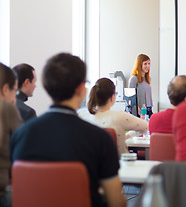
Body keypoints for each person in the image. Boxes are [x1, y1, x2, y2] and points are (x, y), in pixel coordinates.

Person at [10, 53, 126, 207]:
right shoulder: (100, 139)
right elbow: (116, 201)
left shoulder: (20, 136)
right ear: (80, 89)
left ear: (47, 87)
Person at [86, 77, 148, 157]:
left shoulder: (85, 117)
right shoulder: (120, 117)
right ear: (112, 97)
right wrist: (127, 135)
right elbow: (146, 127)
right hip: (119, 165)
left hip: (93, 166)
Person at [0, 63, 22, 207]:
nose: (15, 98)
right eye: (15, 91)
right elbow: (25, 149)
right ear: (5, 89)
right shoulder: (6, 108)